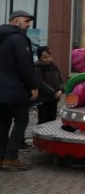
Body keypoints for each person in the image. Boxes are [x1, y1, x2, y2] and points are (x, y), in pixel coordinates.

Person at [0, 10, 40, 171]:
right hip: (15, 89)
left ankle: (1, 157)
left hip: (2, 90)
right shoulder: (18, 39)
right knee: (21, 120)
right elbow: (24, 65)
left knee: (2, 123)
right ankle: (11, 157)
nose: (29, 25)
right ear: (16, 22)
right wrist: (33, 86)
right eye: (26, 21)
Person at [33, 46, 64, 125]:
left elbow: (60, 79)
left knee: (52, 119)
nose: (48, 59)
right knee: (43, 119)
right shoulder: (37, 67)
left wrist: (60, 90)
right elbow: (41, 83)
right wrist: (54, 92)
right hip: (43, 99)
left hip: (54, 98)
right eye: (45, 57)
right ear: (40, 58)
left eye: (50, 56)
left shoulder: (54, 66)